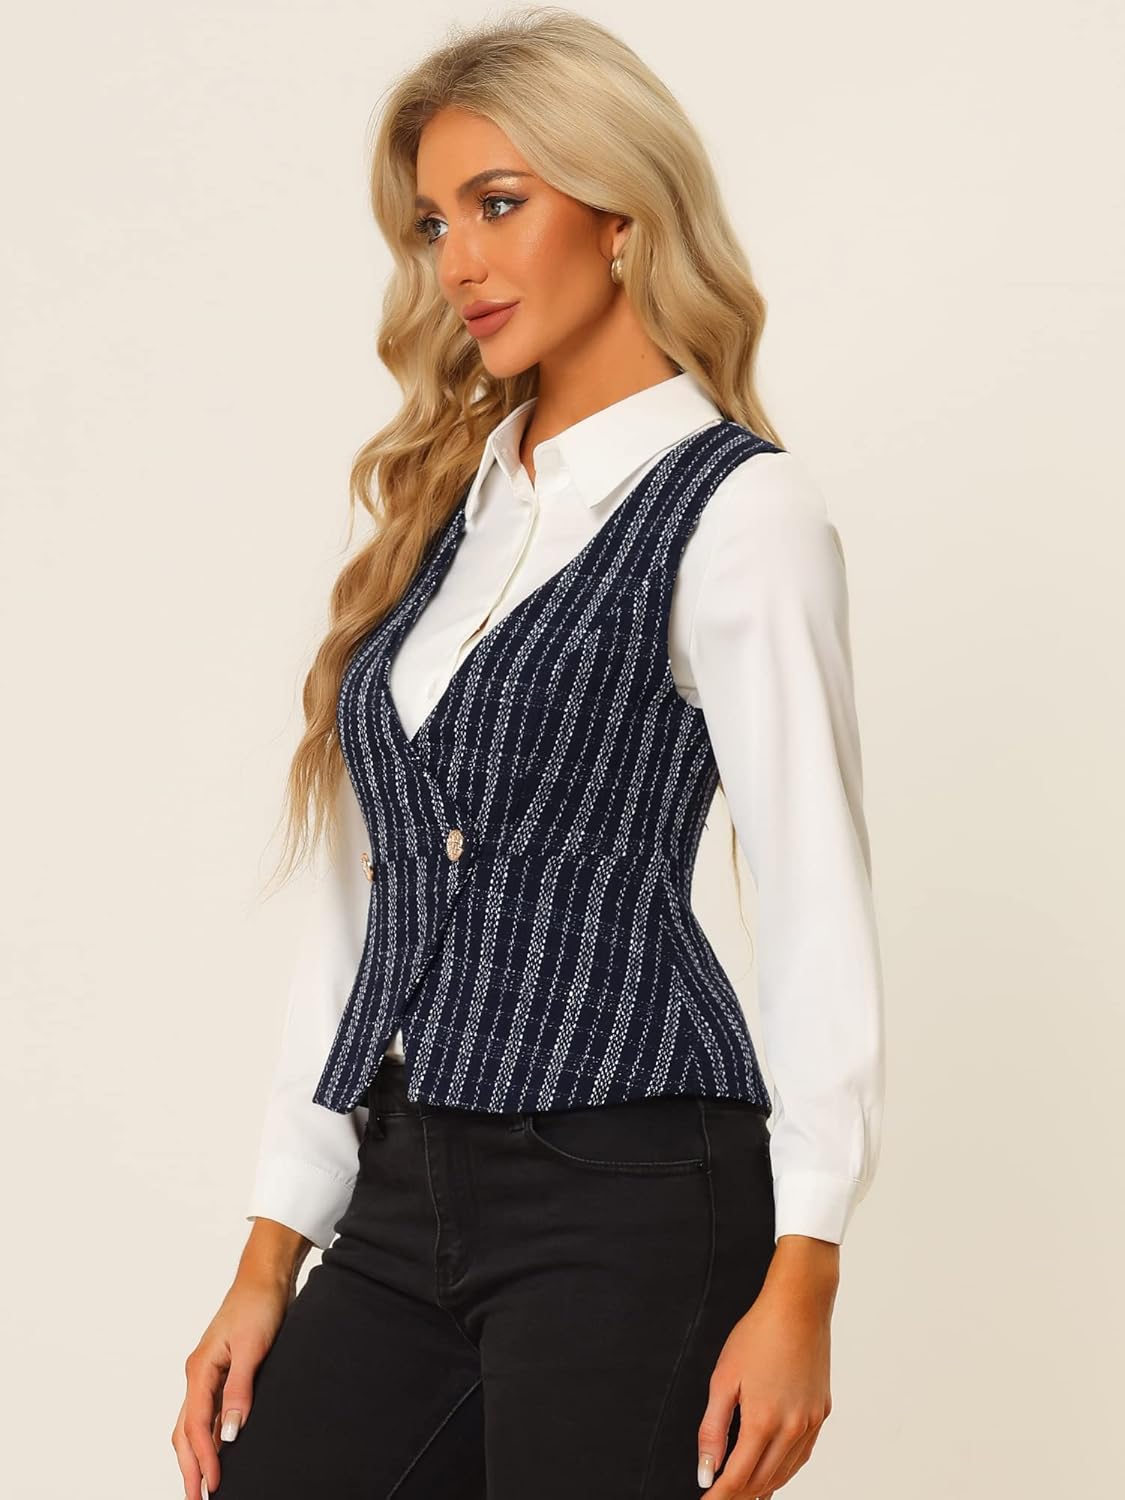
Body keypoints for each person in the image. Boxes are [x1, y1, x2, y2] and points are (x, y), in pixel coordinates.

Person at [172, 10, 885, 1499]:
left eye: (499, 204)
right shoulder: (449, 512)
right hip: (405, 1181)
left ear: (621, 217)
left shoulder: (738, 512)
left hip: (631, 1182)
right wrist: (267, 1252)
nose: (459, 263)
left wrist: (804, 1269)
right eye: (436, 223)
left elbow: (812, 897)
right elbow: (363, 917)